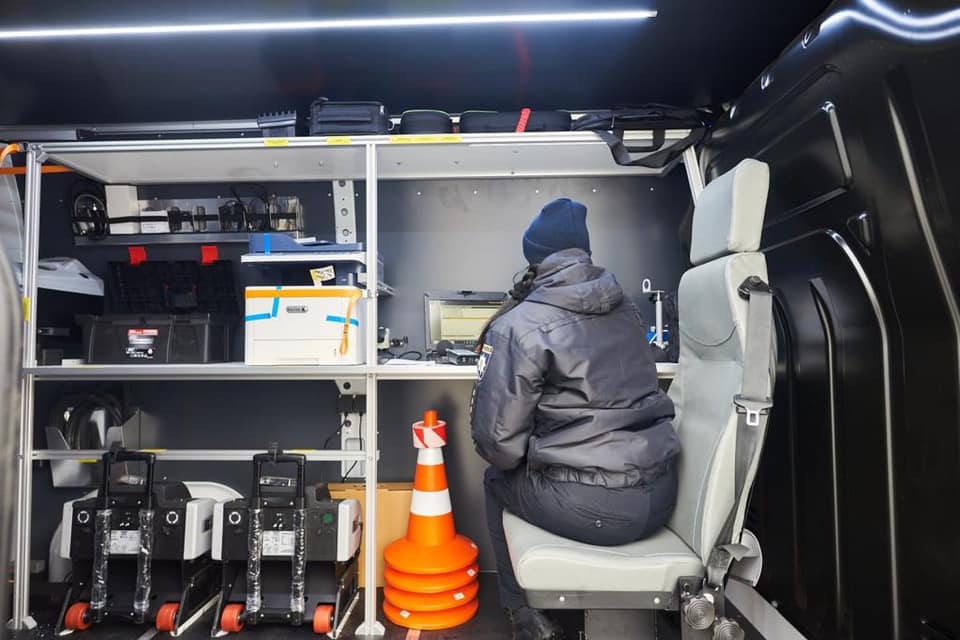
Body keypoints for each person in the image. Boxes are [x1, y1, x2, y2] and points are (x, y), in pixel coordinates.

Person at [470, 198, 681, 640]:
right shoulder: (628, 311)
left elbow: (499, 448)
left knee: (494, 480)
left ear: (533, 257)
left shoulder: (520, 324)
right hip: (660, 497)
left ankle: (522, 616)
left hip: (593, 510)